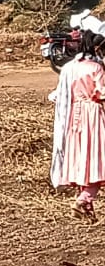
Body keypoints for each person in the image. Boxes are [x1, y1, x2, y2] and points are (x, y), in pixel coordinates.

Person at [50, 32, 105, 220]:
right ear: (96, 48)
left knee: (82, 155)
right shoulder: (96, 68)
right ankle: (84, 199)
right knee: (97, 157)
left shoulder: (70, 68)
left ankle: (87, 205)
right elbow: (101, 93)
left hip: (75, 115)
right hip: (92, 113)